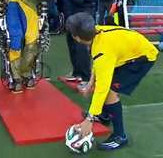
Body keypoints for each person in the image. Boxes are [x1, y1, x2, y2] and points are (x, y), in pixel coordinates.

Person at [66, 12, 158, 150]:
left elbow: (103, 86)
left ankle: (120, 136)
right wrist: (91, 83)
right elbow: (97, 62)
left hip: (143, 58)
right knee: (100, 86)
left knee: (110, 94)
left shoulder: (102, 51)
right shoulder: (96, 32)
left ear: (77, 38)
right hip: (125, 53)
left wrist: (89, 119)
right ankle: (104, 116)